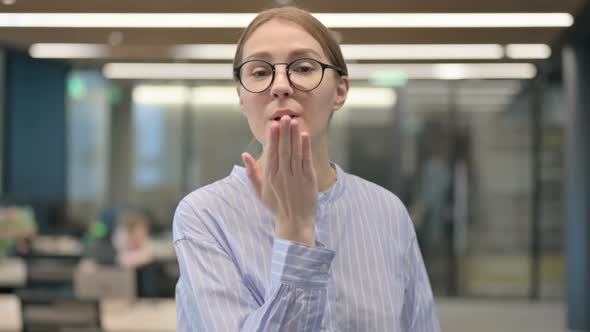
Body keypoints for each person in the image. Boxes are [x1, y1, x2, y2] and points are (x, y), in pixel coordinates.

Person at [173, 6, 440, 331]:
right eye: (259, 72)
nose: (280, 86)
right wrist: (296, 231)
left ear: (340, 91)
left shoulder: (387, 212)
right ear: (241, 97)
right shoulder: (205, 216)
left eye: (303, 68)